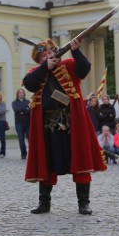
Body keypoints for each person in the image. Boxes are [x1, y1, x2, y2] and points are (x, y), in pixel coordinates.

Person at [24, 38, 106, 215]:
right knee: (46, 163)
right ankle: (44, 203)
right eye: (43, 55)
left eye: (50, 53)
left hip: (71, 125)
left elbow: (84, 68)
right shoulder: (36, 72)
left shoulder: (68, 65)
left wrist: (76, 50)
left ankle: (83, 203)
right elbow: (29, 84)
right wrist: (45, 67)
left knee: (80, 161)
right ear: (39, 60)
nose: (48, 56)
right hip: (47, 126)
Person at [11, 88, 30, 160]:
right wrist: (25, 109)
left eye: (22, 92)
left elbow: (30, 110)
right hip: (19, 123)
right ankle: (23, 154)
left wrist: (22, 111)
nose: (21, 94)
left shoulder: (28, 101)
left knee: (30, 139)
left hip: (28, 123)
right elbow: (16, 110)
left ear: (24, 94)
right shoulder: (14, 102)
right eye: (20, 92)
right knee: (21, 139)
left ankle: (31, 154)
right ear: (17, 94)